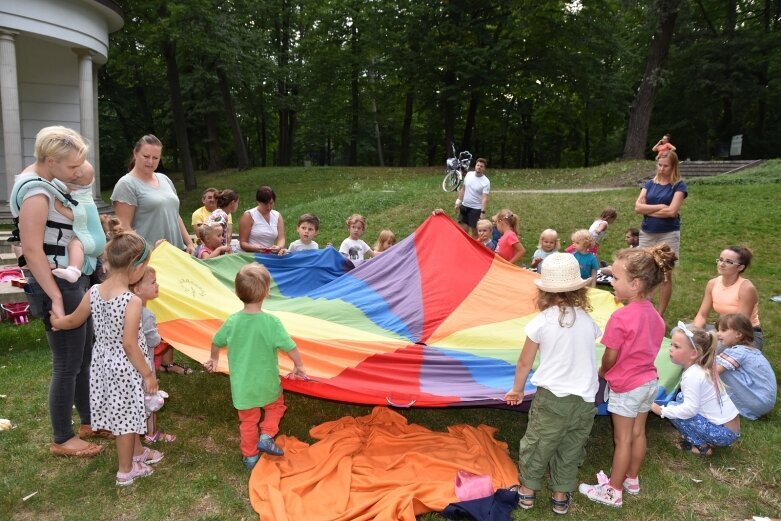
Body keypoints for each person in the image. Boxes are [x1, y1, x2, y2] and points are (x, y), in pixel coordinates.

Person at [11, 126, 106, 457]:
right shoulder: (37, 194)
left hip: (69, 281)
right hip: (57, 283)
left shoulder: (42, 177)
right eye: (71, 166)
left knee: (83, 354)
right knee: (67, 362)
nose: (77, 173)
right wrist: (54, 296)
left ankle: (89, 420)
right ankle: (63, 438)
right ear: (50, 161)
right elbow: (33, 251)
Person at [50, 230, 163, 486]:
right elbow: (130, 344)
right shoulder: (131, 300)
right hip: (126, 367)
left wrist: (58, 322)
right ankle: (126, 471)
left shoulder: (94, 290)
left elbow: (74, 319)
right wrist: (147, 373)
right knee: (125, 421)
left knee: (128, 413)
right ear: (136, 266)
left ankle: (137, 452)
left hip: (103, 364)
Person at [578, 244, 677, 508]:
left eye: (616, 278)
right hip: (648, 383)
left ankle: (613, 490)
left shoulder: (620, 317)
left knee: (622, 440)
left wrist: (602, 372)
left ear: (635, 284)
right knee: (638, 433)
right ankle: (632, 479)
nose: (612, 282)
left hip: (626, 386)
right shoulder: (656, 317)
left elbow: (610, 356)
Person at [504, 253, 600, 515]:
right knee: (571, 447)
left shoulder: (541, 322)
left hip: (552, 399)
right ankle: (560, 495)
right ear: (578, 290)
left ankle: (527, 492)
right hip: (585, 399)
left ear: (544, 292)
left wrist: (517, 389)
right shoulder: (588, 321)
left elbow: (525, 362)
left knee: (539, 444)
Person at [204, 263, 307, 469]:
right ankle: (267, 435)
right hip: (267, 383)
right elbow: (290, 346)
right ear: (266, 293)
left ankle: (250, 458)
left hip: (243, 387)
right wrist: (299, 366)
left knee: (248, 422)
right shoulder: (272, 322)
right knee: (276, 406)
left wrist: (214, 358)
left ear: (236, 292)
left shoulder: (232, 322)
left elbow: (216, 340)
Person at [650, 323, 740, 458]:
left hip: (723, 434)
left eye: (676, 346)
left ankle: (701, 446)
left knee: (676, 408)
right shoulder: (700, 368)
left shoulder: (692, 376)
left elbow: (689, 410)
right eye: (671, 345)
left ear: (694, 353)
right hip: (727, 429)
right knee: (680, 398)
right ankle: (706, 438)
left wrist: (661, 410)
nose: (670, 349)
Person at [111, 135, 195, 254]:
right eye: (146, 156)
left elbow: (175, 215)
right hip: (148, 257)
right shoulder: (126, 184)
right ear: (135, 153)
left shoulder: (165, 179)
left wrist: (189, 243)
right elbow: (124, 228)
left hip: (177, 253)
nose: (150, 161)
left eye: (155, 158)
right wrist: (146, 253)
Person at [634, 150, 687, 317]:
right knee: (643, 270)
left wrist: (648, 210)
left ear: (673, 167)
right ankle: (643, 306)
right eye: (660, 165)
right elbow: (637, 208)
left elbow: (672, 211)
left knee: (665, 274)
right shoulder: (649, 184)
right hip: (647, 232)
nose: (662, 169)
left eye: (666, 166)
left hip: (668, 234)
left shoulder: (678, 185)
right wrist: (660, 207)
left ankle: (660, 313)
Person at [130, 266, 178, 444]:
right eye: (152, 282)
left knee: (136, 399)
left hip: (130, 364)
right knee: (150, 400)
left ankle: (136, 431)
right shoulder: (146, 314)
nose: (157, 285)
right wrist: (161, 337)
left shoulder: (127, 308)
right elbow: (153, 341)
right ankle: (152, 433)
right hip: (145, 366)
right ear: (137, 289)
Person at [693, 246, 762, 350]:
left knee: (714, 348)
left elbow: (739, 325)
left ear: (740, 267)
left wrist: (712, 336)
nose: (721, 264)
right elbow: (702, 315)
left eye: (729, 262)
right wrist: (696, 331)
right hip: (723, 330)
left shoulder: (746, 288)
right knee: (679, 333)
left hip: (744, 335)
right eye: (720, 260)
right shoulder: (712, 283)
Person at [714, 314, 776, 420]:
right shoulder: (750, 350)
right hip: (764, 401)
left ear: (738, 334)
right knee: (722, 363)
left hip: (756, 400)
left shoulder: (738, 352)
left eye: (723, 330)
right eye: (718, 330)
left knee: (718, 366)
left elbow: (713, 372)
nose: (718, 334)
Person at [239, 185, 285, 253]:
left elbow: (281, 238)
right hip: (251, 254)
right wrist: (253, 248)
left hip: (268, 254)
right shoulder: (249, 216)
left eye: (271, 203)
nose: (269, 207)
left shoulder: (277, 216)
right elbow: (243, 243)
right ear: (258, 202)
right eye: (265, 204)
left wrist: (279, 247)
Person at [455, 157, 490, 238]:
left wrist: (483, 212)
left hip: (476, 209)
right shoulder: (469, 174)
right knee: (463, 231)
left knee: (475, 232)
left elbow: (484, 198)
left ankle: (474, 248)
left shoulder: (486, 181)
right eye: (478, 165)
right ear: (475, 166)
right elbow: (464, 188)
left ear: (484, 168)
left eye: (481, 166)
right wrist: (458, 201)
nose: (479, 167)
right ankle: (464, 247)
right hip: (464, 206)